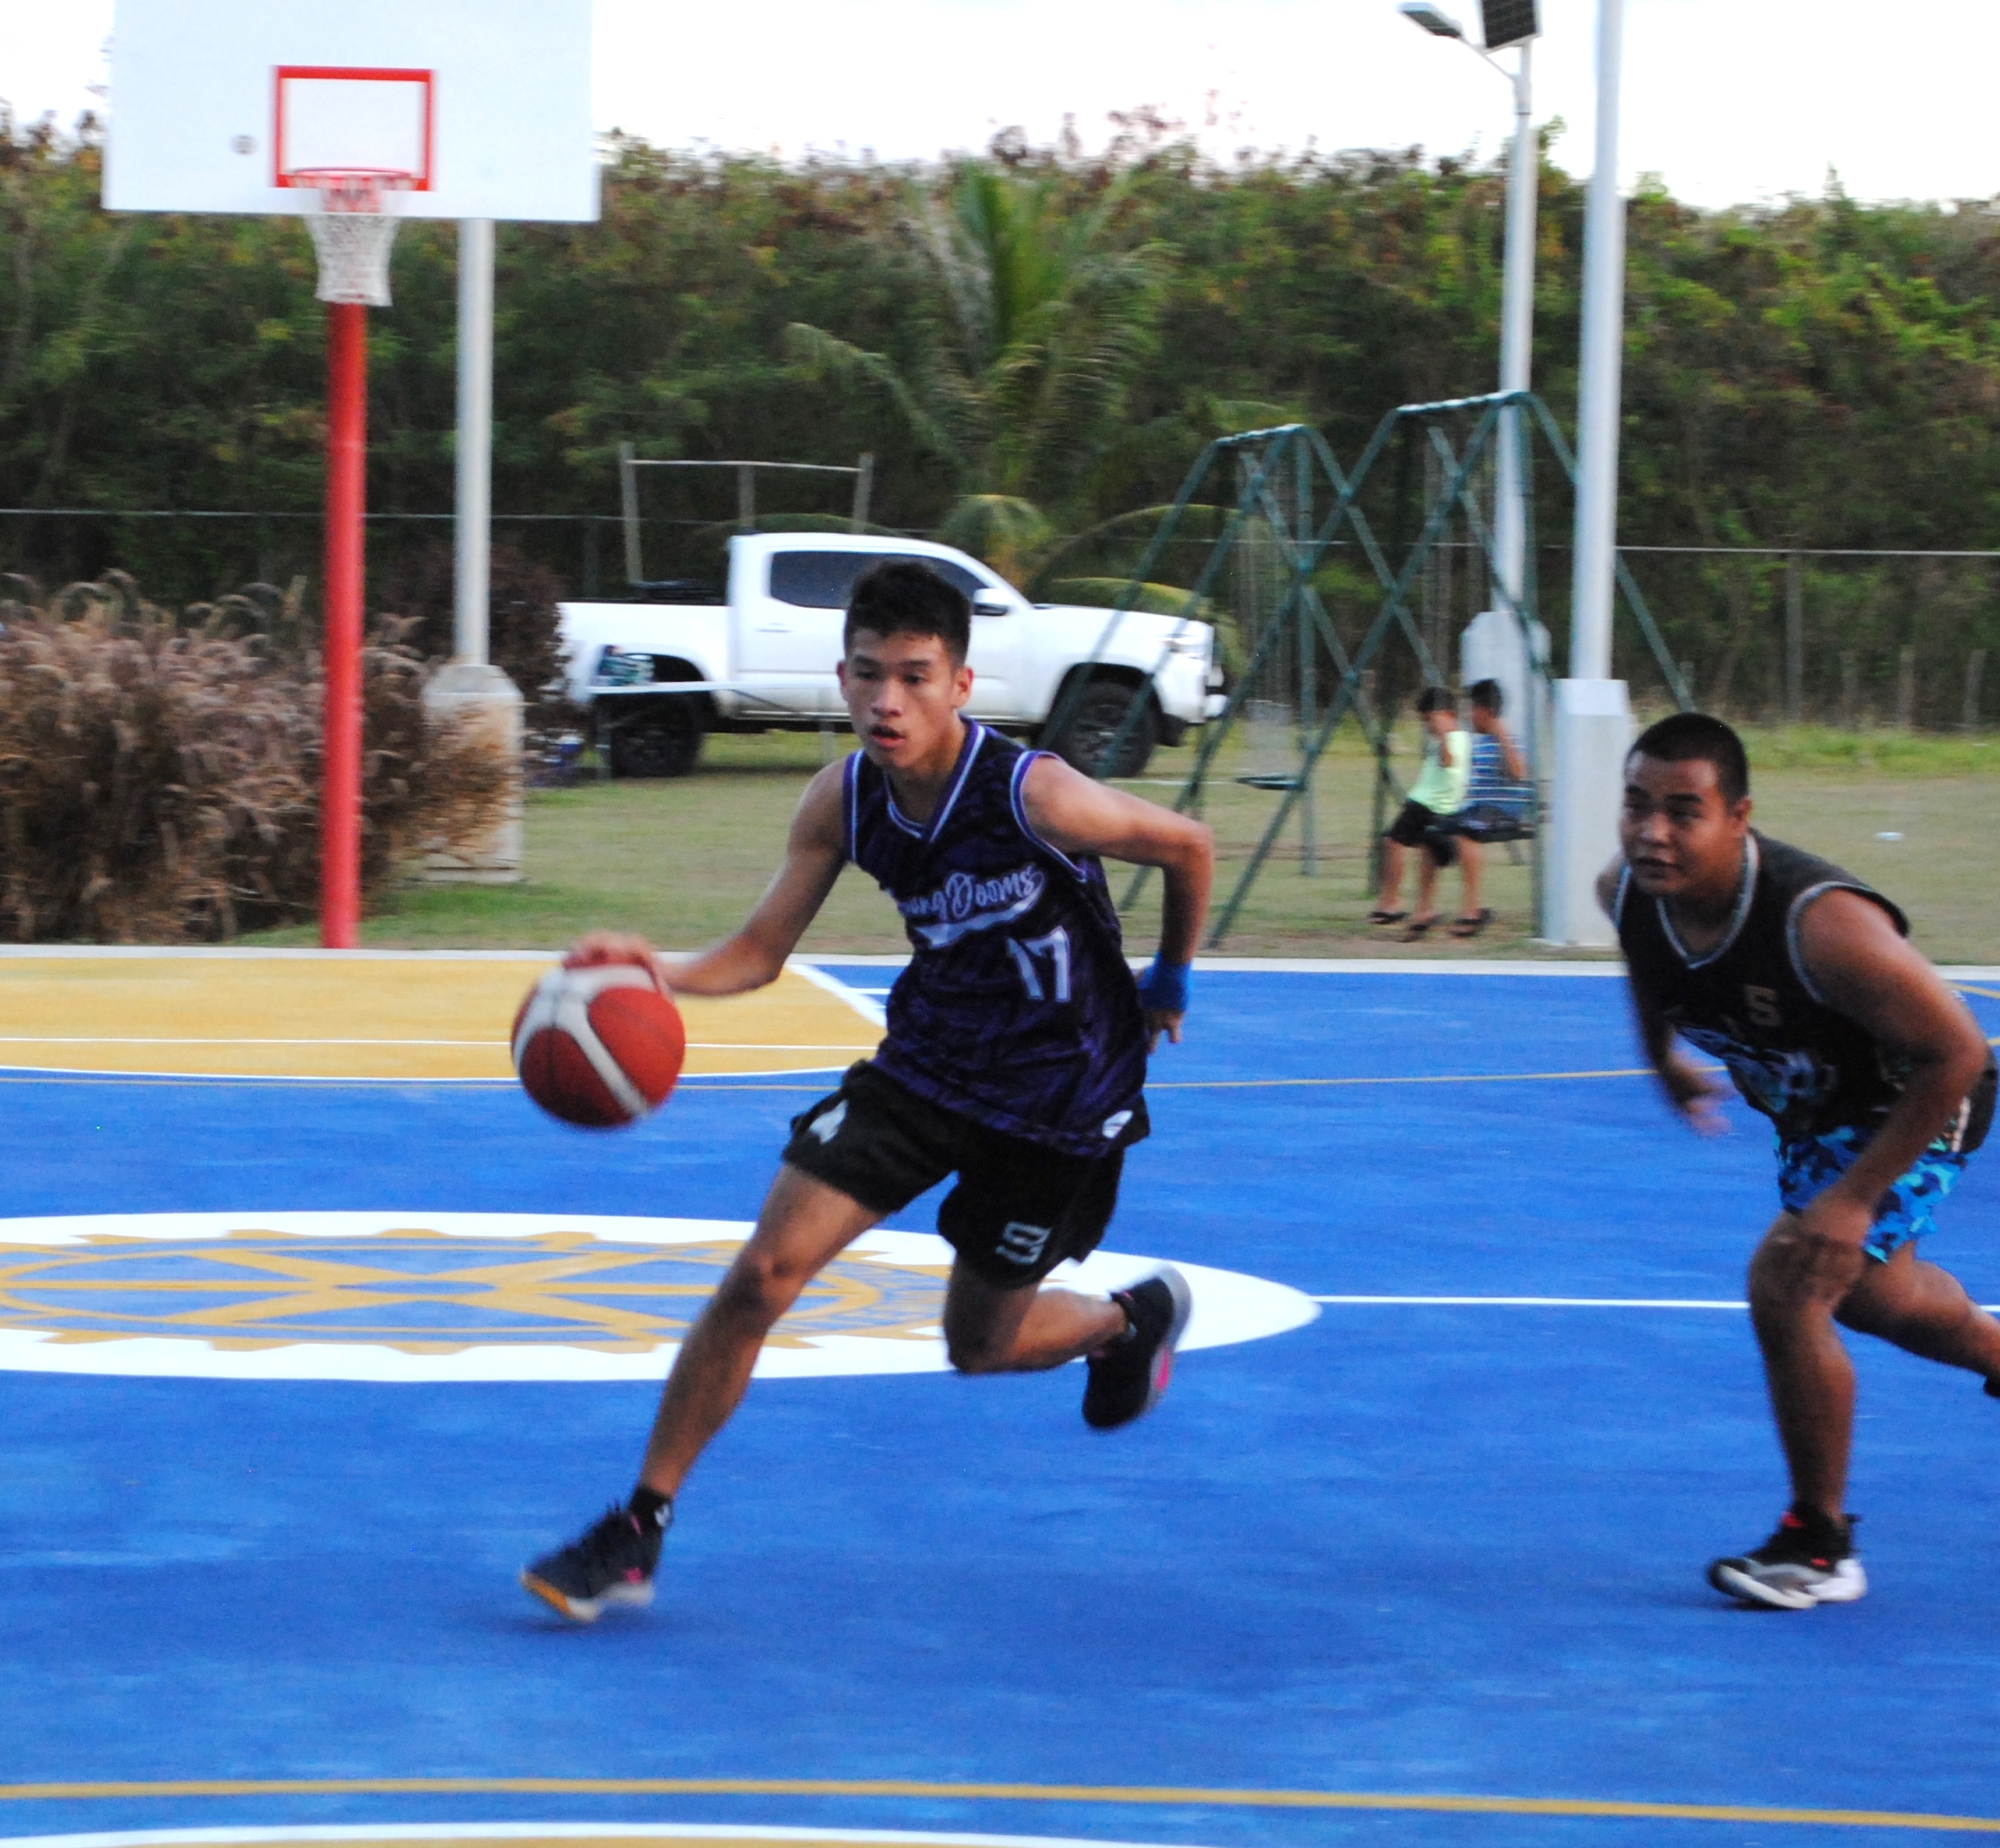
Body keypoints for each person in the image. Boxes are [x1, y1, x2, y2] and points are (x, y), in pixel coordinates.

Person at [521, 558, 1216, 1623]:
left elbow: (1186, 843)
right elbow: (758, 950)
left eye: (913, 675)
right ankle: (638, 1527)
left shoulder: (1031, 792)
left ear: (960, 683)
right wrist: (649, 969)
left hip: (1059, 1099)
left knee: (978, 1346)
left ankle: (1131, 1317)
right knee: (762, 1272)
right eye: (866, 674)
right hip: (926, 1068)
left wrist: (1166, 979)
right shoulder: (843, 796)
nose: (886, 700)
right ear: (842, 678)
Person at [1597, 712, 2000, 1610]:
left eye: (1682, 810)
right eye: (1635, 804)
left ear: (1737, 817)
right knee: (1870, 1293)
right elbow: (1645, 958)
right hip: (1815, 1104)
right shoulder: (1630, 891)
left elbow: (1956, 1050)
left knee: (1788, 1280)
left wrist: (1854, 1197)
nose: (1650, 830)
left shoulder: (1819, 925)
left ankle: (1817, 1545)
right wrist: (1660, 1054)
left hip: (1915, 1093)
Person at [1368, 686, 1476, 937]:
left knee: (1393, 843)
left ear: (1446, 714)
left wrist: (1442, 737)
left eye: (1429, 719)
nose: (1427, 725)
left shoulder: (1456, 738)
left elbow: (1448, 762)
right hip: (1426, 802)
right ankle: (1423, 910)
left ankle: (1391, 902)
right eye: (1424, 720)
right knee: (1425, 853)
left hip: (1429, 804)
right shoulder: (1446, 738)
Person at [1442, 677, 1534, 939]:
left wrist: (1501, 734)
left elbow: (1517, 772)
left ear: (1487, 711)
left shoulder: (1511, 740)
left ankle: (1472, 910)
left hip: (1504, 811)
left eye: (1472, 709)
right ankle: (1424, 911)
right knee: (1432, 834)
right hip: (1477, 809)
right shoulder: (1476, 743)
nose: (1469, 715)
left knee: (1466, 831)